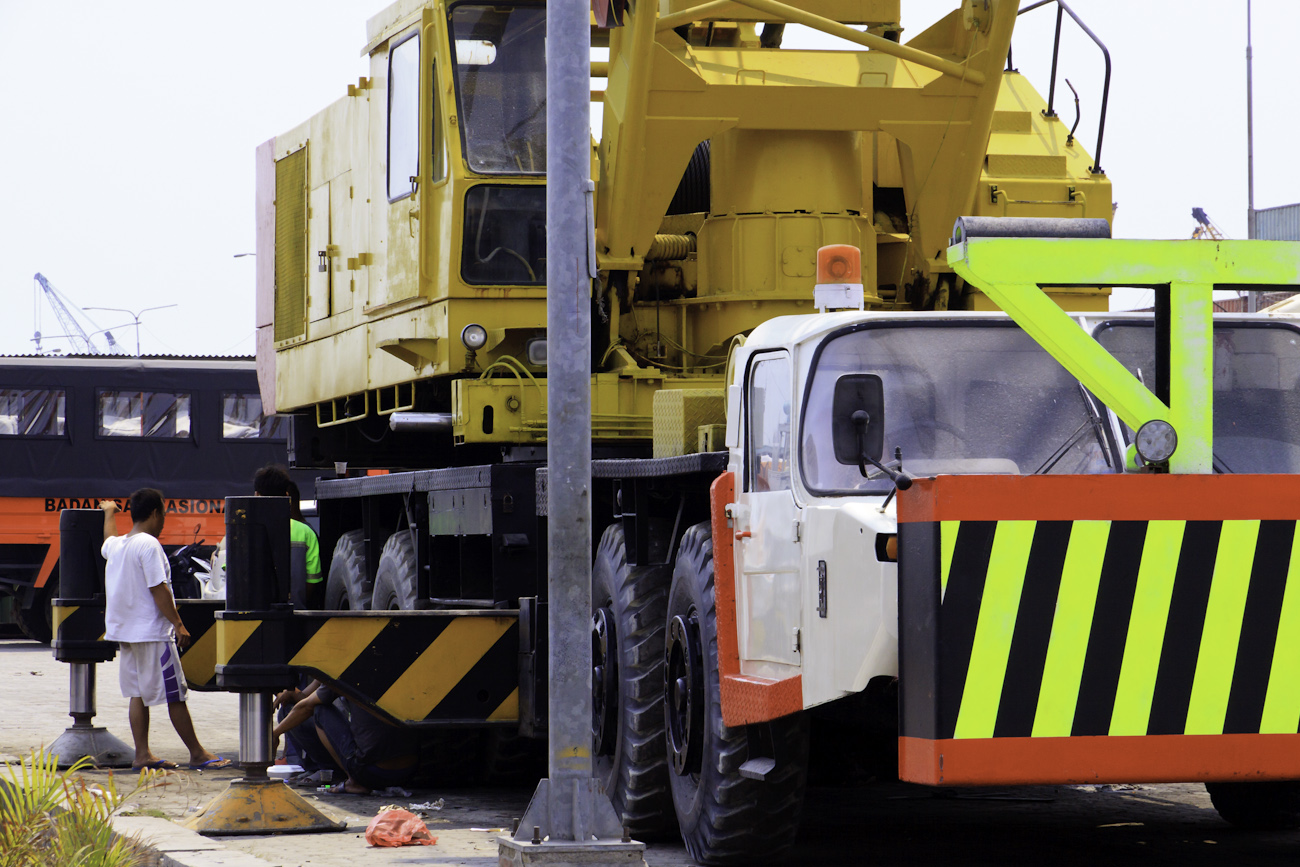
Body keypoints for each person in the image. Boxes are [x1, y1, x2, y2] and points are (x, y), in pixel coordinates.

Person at [99, 491, 231, 771]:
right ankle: (197, 753)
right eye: (164, 515)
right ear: (155, 513)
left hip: (126, 634)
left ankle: (142, 755)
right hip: (152, 634)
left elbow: (107, 539)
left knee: (138, 694)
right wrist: (178, 624)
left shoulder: (119, 545)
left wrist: (109, 512)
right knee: (175, 694)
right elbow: (158, 588)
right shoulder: (148, 544)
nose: (164, 522)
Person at [272, 680, 418, 795]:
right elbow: (308, 695)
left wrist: (274, 734)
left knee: (320, 709)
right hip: (410, 772)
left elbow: (306, 706)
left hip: (369, 774)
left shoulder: (345, 672)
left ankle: (352, 781)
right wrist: (296, 693)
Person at [252, 465, 322, 608]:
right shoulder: (306, 532)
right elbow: (312, 581)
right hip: (294, 615)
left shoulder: (244, 530)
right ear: (286, 495)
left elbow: (230, 572)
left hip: (252, 614)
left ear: (256, 495)